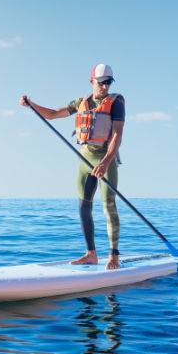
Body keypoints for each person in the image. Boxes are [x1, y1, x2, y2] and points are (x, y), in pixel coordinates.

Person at [20, 64, 126, 270]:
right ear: (91, 81)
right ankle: (91, 254)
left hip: (106, 159)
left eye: (108, 82)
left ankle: (114, 256)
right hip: (85, 159)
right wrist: (31, 104)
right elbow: (52, 114)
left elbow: (116, 136)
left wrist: (105, 163)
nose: (104, 86)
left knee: (108, 205)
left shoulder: (116, 103)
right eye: (101, 82)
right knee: (83, 206)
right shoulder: (81, 102)